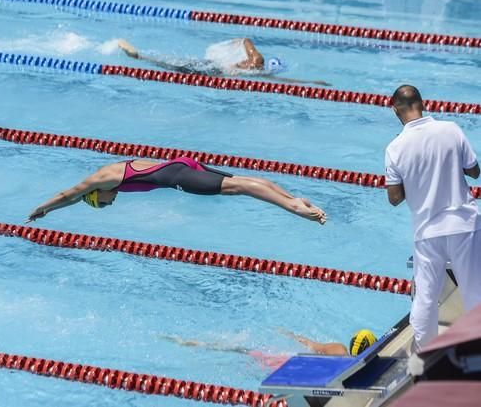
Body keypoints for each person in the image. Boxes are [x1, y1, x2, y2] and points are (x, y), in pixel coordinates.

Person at [385, 85, 481, 351]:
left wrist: (415, 178)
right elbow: (474, 171)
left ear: (395, 110)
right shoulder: (451, 129)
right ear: (423, 103)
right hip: (465, 224)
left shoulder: (396, 147)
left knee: (426, 298)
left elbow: (394, 198)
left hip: (428, 232)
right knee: (475, 292)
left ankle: (425, 354)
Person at [27, 157, 327, 224]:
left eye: (103, 204)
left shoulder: (101, 180)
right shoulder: (110, 175)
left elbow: (71, 193)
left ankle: (294, 208)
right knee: (242, 181)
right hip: (182, 165)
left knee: (238, 187)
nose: (111, 202)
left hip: (175, 175)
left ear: (95, 195)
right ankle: (292, 198)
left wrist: (44, 208)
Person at [117, 38, 330, 86]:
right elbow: (249, 46)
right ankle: (140, 57)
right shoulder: (256, 63)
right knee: (175, 66)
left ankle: (142, 57)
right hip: (213, 70)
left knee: (175, 65)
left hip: (213, 70)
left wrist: (311, 83)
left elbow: (287, 80)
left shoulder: (256, 71)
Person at [161, 328, 377, 370]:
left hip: (288, 359)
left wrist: (290, 335)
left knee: (242, 350)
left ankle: (200, 344)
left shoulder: (337, 349)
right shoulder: (341, 359)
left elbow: (309, 344)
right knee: (242, 352)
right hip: (290, 366)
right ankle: (198, 344)